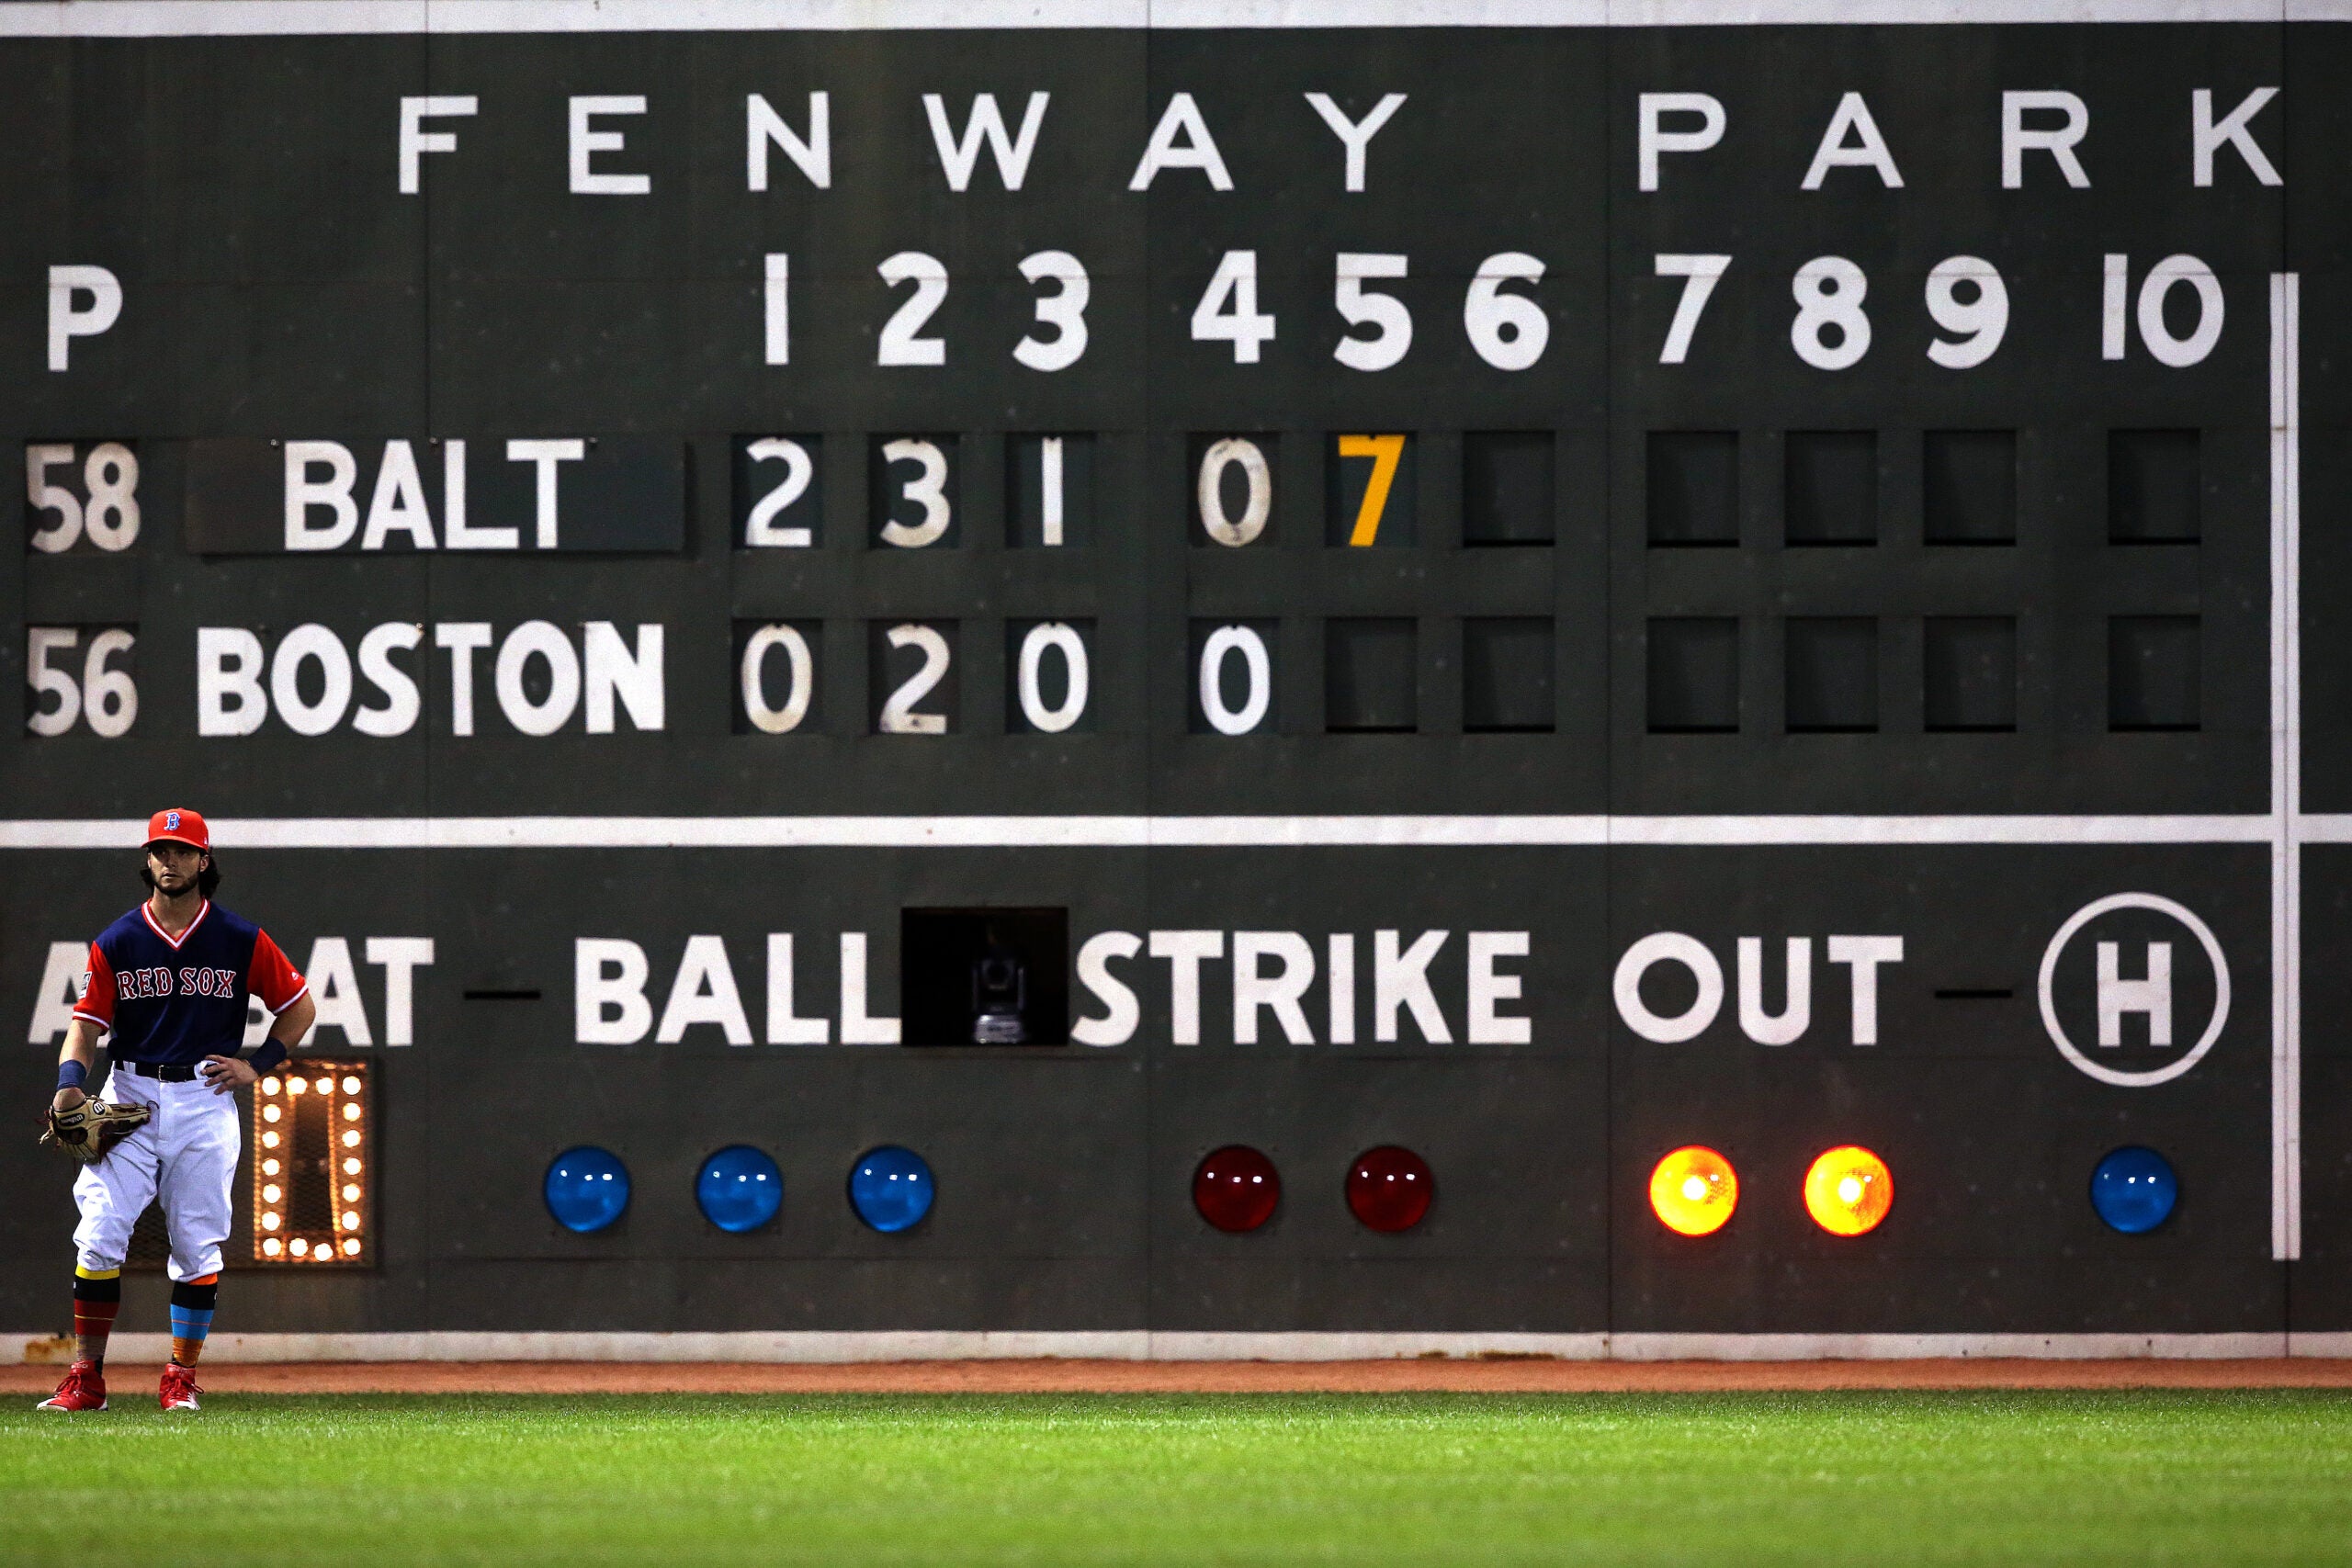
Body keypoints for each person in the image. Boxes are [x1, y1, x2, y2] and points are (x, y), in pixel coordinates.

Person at [38, 809, 313, 1413]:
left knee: (197, 1244)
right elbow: (84, 1028)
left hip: (203, 1097)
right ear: (149, 860)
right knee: (99, 1234)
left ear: (204, 860)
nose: (170, 861)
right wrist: (68, 1086)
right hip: (129, 1094)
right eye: (160, 850)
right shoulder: (118, 940)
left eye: (183, 851)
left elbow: (298, 1006)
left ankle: (180, 1375)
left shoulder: (240, 937)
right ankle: (87, 1376)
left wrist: (257, 1064)